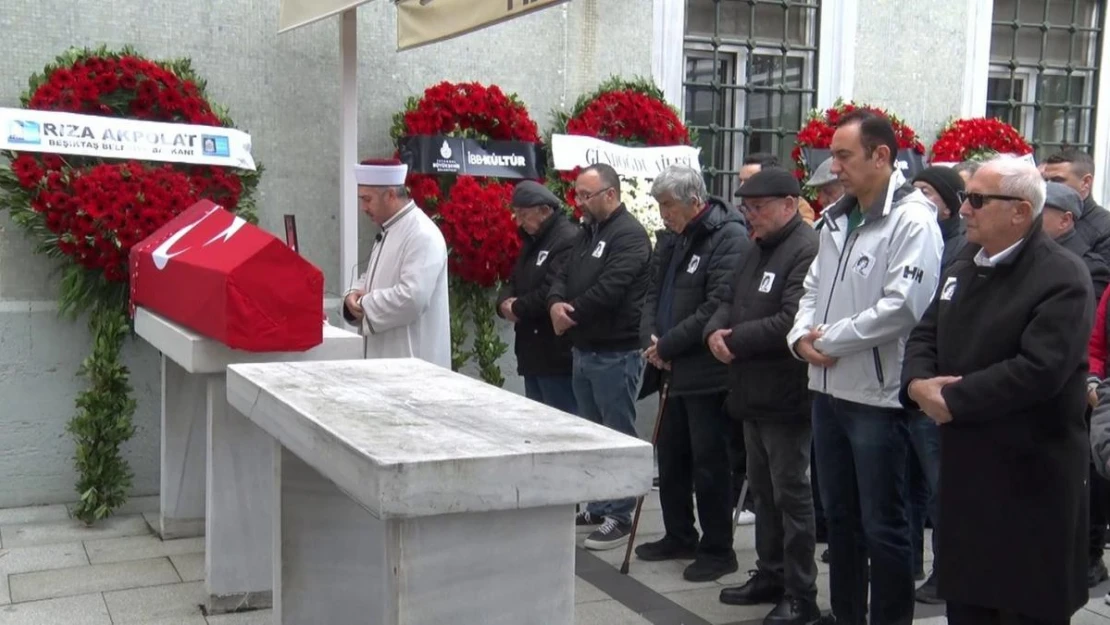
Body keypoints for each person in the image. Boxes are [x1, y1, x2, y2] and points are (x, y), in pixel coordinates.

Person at [902, 156, 1093, 625]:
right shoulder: (965, 263)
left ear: (1020, 212)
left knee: (1023, 608)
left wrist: (952, 399)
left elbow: (1039, 368)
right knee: (968, 606)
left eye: (977, 199)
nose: (963, 209)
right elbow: (926, 332)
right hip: (969, 474)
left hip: (1030, 480)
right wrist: (918, 384)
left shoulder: (1062, 275)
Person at [786, 110, 943, 625]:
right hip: (827, 389)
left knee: (884, 525)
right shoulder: (836, 218)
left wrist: (831, 338)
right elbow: (812, 290)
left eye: (844, 156)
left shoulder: (912, 220)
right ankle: (848, 614)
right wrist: (799, 339)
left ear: (882, 156)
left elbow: (904, 307)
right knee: (842, 522)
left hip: (876, 398)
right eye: (833, 155)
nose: (834, 167)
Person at [706, 167, 820, 624]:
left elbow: (793, 319)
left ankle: (801, 593)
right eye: (745, 208)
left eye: (757, 208)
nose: (748, 216)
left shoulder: (805, 248)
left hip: (786, 395)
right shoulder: (755, 248)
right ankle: (770, 573)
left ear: (789, 205)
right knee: (764, 494)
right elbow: (726, 299)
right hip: (750, 394)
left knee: (791, 496)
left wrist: (733, 339)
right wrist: (715, 330)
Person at [634, 164, 748, 581]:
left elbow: (716, 305)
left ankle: (718, 548)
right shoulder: (673, 239)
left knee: (710, 462)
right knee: (672, 457)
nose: (663, 213)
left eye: (669, 205)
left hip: (705, 372)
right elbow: (653, 291)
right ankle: (678, 533)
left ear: (695, 201)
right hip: (670, 367)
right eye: (660, 205)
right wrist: (652, 337)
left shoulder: (728, 237)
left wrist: (668, 344)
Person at [548, 162, 652, 550]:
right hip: (584, 349)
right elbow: (563, 273)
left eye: (586, 194)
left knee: (616, 433)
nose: (579, 201)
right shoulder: (587, 232)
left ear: (611, 194)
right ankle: (599, 502)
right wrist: (556, 303)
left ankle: (620, 513)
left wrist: (568, 315)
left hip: (616, 351)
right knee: (591, 431)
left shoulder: (630, 235)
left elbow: (611, 289)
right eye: (577, 193)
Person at [906, 165, 969, 601]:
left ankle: (948, 572)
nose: (920, 199)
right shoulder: (913, 237)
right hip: (914, 383)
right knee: (909, 483)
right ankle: (908, 559)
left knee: (941, 488)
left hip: (941, 385)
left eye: (928, 192)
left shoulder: (960, 249)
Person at [342, 158, 450, 368]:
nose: (363, 207)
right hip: (384, 361)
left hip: (413, 362)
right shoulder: (390, 229)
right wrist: (352, 295)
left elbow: (412, 298)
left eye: (367, 199)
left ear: (391, 195)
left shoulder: (421, 233)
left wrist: (364, 304)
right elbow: (373, 279)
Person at [497, 181, 580, 414]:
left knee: (561, 424)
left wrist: (518, 308)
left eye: (523, 214)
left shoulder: (566, 238)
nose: (518, 221)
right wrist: (503, 303)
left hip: (554, 354)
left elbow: (552, 290)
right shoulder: (532, 239)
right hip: (531, 353)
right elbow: (514, 280)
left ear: (544, 211)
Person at [1042, 181, 1110, 303]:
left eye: (1038, 213)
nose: (1027, 219)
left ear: (1065, 220)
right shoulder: (1025, 253)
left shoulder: (1090, 269)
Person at [1041, 148, 1110, 260]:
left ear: (1085, 182)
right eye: (1045, 180)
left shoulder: (1105, 229)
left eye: (1057, 180)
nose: (1048, 186)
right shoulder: (1035, 215)